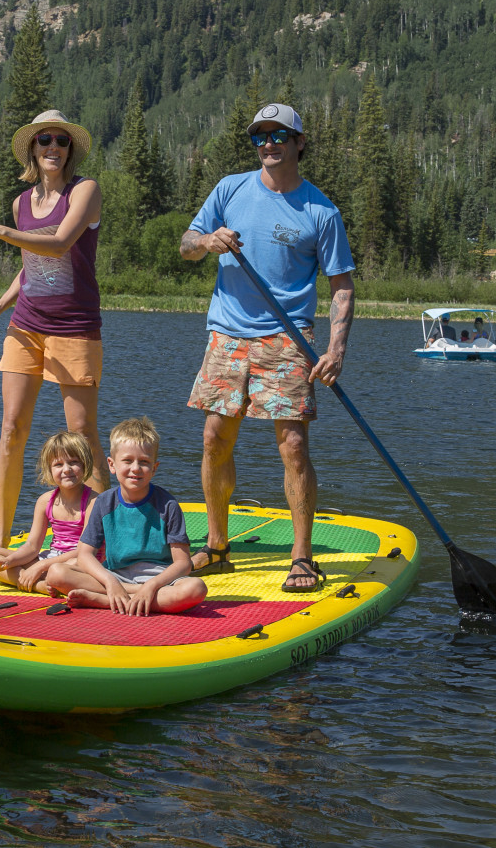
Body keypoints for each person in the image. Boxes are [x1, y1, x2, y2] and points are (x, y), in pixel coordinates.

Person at [179, 100, 355, 594]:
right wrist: (208, 241)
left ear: (300, 143)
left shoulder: (321, 210)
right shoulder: (229, 189)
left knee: (293, 444)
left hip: (288, 336)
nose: (269, 144)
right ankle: (217, 546)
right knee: (215, 437)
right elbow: (186, 244)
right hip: (227, 334)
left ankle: (302, 556)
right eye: (260, 136)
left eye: (279, 135)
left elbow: (342, 285)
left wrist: (336, 349)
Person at [0, 110, 106, 569]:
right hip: (25, 325)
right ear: (33, 148)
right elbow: (31, 265)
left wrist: (1, 232)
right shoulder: (21, 202)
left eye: (61, 142)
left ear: (70, 151)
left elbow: (61, 243)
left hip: (75, 326)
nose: (53, 147)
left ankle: (107, 539)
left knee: (82, 436)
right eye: (45, 139)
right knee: (11, 430)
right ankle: (2, 538)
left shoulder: (84, 191)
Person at [47, 418, 207, 616]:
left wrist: (151, 586)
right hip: (117, 575)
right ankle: (124, 596)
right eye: (128, 460)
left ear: (155, 468)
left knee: (196, 589)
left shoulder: (168, 505)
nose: (136, 468)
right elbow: (85, 554)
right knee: (56, 573)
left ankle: (106, 601)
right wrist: (110, 582)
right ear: (112, 465)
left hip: (159, 579)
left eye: (144, 462)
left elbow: (183, 563)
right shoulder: (104, 503)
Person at [0, 431, 97, 594]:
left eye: (73, 462)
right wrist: (9, 561)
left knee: (64, 569)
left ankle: (40, 579)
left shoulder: (94, 502)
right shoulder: (45, 501)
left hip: (77, 562)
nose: (66, 469)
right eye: (58, 465)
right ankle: (37, 584)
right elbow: (32, 546)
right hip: (50, 558)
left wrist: (40, 566)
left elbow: (83, 551)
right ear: (49, 469)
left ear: (85, 464)